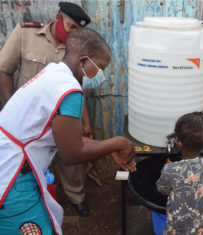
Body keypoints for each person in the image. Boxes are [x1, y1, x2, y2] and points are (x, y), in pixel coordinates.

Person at [0, 27, 136, 235]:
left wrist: (108, 149)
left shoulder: (53, 74)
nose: (100, 75)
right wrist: (119, 142)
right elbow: (71, 153)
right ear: (83, 62)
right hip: (12, 178)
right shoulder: (69, 90)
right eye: (99, 68)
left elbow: (70, 140)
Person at [0, 1, 93, 216]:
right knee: (28, 165)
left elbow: (78, 90)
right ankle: (35, 200)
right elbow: (5, 70)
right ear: (59, 18)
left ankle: (76, 197)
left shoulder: (76, 50)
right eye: (71, 27)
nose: (73, 35)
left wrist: (85, 123)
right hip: (28, 121)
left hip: (62, 118)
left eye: (79, 31)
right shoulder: (26, 34)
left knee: (70, 158)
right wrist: (11, 104)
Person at [156, 112, 203, 235]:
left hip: (176, 229)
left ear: (178, 141)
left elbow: (161, 189)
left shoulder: (170, 170)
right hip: (201, 228)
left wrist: (169, 167)